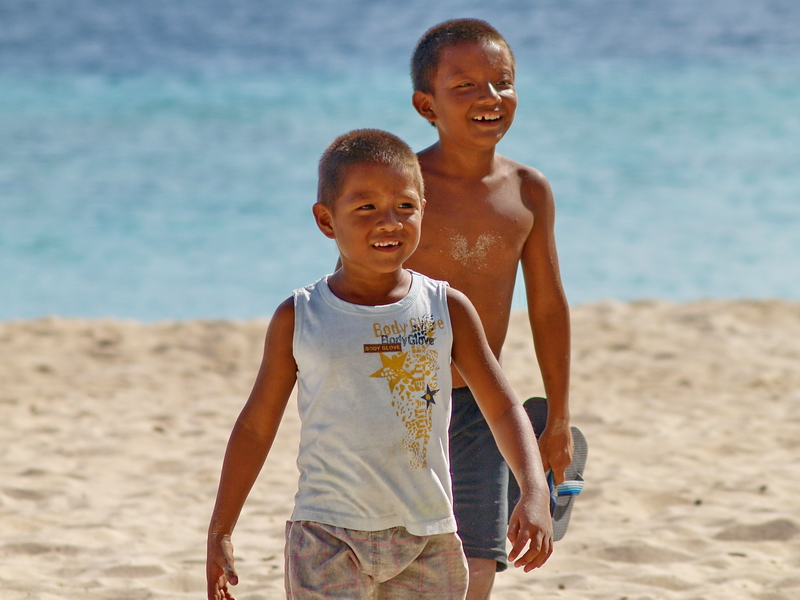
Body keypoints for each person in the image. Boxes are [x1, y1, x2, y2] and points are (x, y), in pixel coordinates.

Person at [206, 129, 553, 600]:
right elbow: (255, 427)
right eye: (366, 208)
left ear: (424, 210)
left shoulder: (446, 308)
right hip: (327, 537)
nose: (389, 222)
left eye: (405, 206)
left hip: (428, 535)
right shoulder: (300, 316)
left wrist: (533, 491)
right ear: (326, 221)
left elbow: (504, 409)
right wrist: (221, 529)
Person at [406, 19, 574, 599]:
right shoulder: (404, 184)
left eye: (501, 83)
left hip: (480, 399)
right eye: (466, 86)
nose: (489, 98)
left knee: (475, 567)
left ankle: (531, 449)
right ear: (426, 104)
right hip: (396, 398)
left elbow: (548, 305)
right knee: (402, 557)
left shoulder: (528, 190)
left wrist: (559, 419)